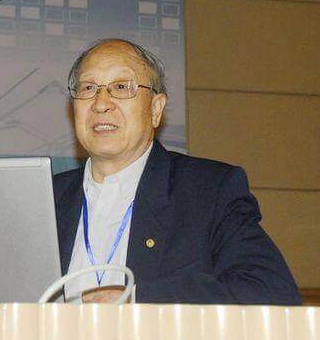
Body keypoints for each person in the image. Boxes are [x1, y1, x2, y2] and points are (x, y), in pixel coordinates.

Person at [53, 39, 301, 304]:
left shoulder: (209, 191)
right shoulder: (46, 197)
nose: (101, 103)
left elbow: (270, 291)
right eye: (88, 88)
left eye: (122, 87)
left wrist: (136, 301)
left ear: (155, 109)